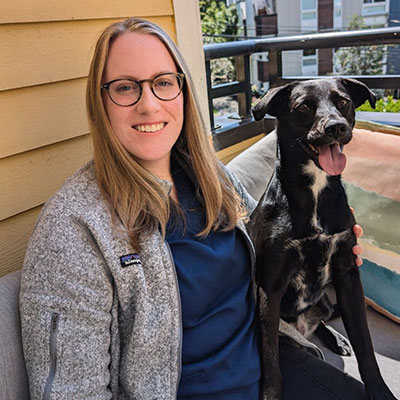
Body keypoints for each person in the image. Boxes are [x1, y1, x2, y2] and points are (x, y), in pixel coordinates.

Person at [20, 17, 366, 400]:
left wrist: (328, 246)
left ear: (183, 91)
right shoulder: (73, 229)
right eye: (124, 87)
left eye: (163, 83)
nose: (149, 105)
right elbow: (72, 392)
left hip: (274, 368)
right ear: (100, 103)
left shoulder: (209, 177)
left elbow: (273, 239)